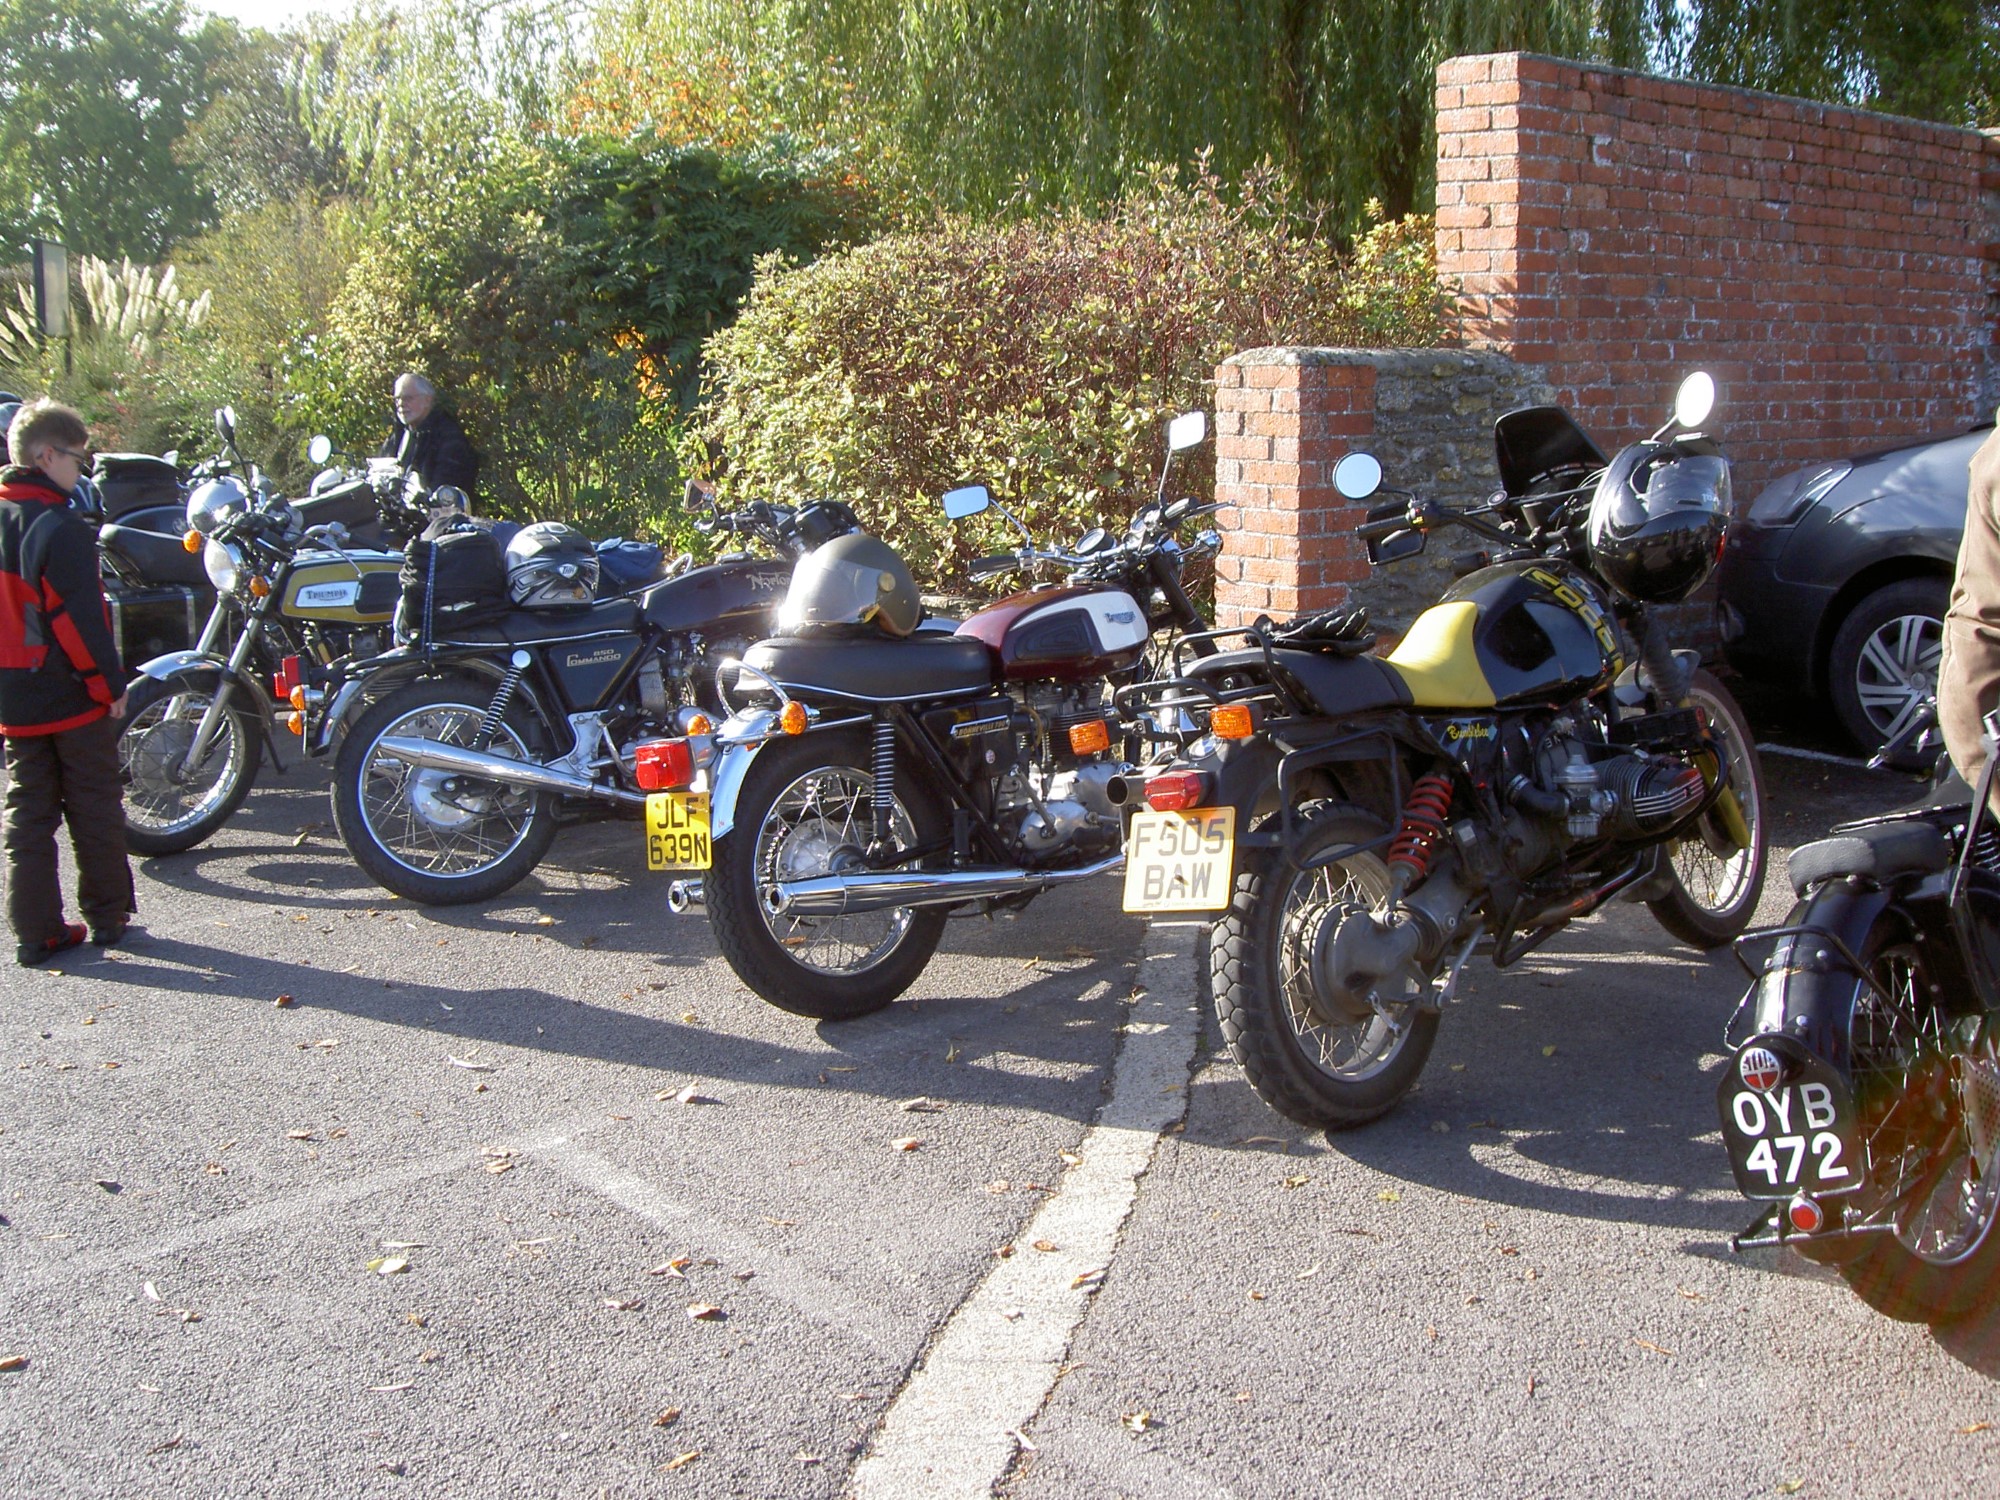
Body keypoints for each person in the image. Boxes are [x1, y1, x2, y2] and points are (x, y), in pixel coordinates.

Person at [1, 399, 135, 965]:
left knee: (28, 815)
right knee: (94, 803)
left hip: (12, 695)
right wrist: (110, 687)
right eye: (78, 461)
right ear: (46, 456)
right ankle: (108, 915)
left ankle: (36, 932)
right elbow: (79, 622)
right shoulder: (60, 528)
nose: (80, 473)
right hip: (68, 692)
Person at [379, 373, 479, 498]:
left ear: (427, 400)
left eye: (408, 398)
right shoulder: (397, 437)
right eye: (397, 399)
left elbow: (444, 491)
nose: (401, 404)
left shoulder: (448, 438)